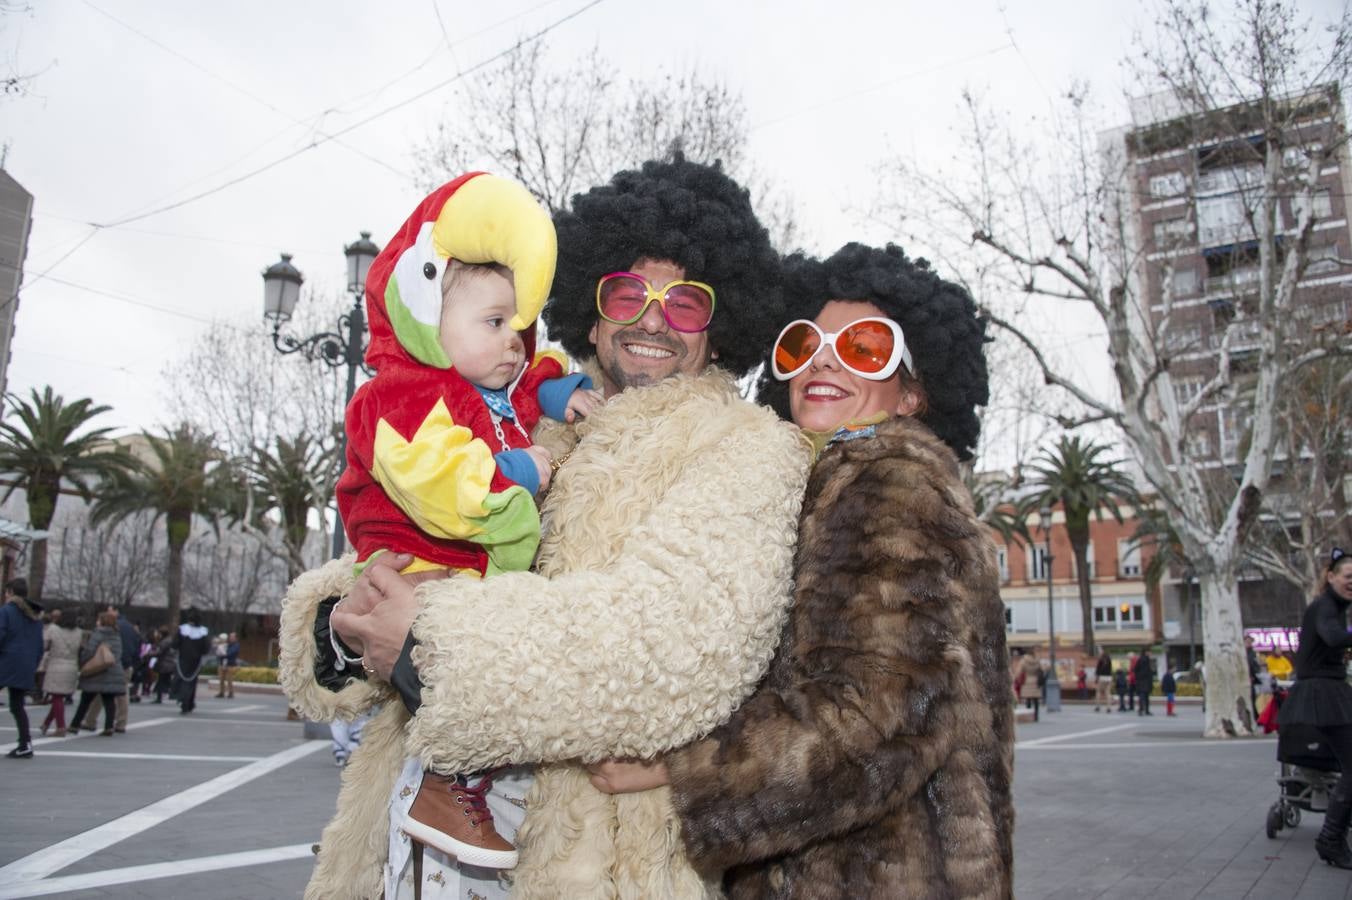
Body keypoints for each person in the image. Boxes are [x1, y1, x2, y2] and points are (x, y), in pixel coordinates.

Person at [278, 156, 808, 899]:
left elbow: (673, 647)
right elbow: (417, 553)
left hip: (586, 865)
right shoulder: (527, 424)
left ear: (718, 334)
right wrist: (342, 623)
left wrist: (423, 645)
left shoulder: (749, 448)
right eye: (627, 293)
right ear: (593, 312)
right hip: (405, 858)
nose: (652, 318)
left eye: (686, 303)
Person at [585, 242, 1010, 897]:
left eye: (864, 347)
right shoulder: (829, 482)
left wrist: (680, 768)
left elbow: (875, 722)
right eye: (803, 344)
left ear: (912, 393)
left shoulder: (890, 484)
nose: (824, 359)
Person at [333, 172, 601, 869]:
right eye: (493, 323)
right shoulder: (402, 395)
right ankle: (443, 791)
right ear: (431, 322)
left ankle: (454, 787)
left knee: (478, 661)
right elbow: (444, 485)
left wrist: (562, 389)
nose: (513, 342)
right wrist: (521, 472)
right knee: (451, 666)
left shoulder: (488, 383)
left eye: (517, 326)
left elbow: (531, 378)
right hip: (419, 558)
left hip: (459, 564)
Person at [1279, 548, 1352, 868]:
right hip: (1323, 695)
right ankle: (1331, 840)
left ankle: (1333, 838)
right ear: (1331, 577)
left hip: (1326, 693)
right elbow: (1333, 638)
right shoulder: (1325, 607)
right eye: (1348, 576)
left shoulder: (1333, 608)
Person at [0, 578, 43, 759]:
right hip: (26, 664)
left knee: (17, 705)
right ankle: (25, 744)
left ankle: (25, 744)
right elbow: (40, 646)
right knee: (18, 706)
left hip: (6, 661)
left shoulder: (6, 611)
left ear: (10, 592)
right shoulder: (35, 616)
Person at [81, 606, 139, 732]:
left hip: (107, 663)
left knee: (99, 693)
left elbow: (93, 648)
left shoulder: (110, 628)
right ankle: (121, 723)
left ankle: (90, 720)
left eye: (110, 610)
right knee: (122, 695)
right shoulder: (131, 628)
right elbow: (137, 646)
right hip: (125, 664)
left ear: (116, 611)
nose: (108, 612)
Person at [69, 609, 125, 737]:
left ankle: (74, 725)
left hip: (96, 671)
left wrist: (83, 662)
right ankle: (109, 726)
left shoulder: (98, 633)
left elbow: (89, 651)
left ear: (102, 621)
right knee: (109, 700)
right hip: (112, 670)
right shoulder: (117, 635)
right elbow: (118, 653)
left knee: (85, 699)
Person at [40, 608, 81, 736]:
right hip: (72, 666)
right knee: (59, 697)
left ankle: (60, 727)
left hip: (56, 665)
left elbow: (44, 646)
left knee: (56, 697)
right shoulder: (79, 632)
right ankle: (46, 723)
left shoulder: (53, 629)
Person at [174, 609, 211, 714]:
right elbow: (206, 648)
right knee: (192, 682)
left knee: (182, 680)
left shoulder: (182, 630)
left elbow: (175, 643)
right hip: (196, 660)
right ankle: (189, 702)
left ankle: (184, 701)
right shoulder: (203, 632)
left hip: (183, 659)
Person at [1019, 646, 1044, 722]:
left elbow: (1019, 671)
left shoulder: (1024, 660)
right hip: (1036, 681)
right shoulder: (1037, 660)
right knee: (1036, 701)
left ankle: (1029, 716)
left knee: (1028, 700)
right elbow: (1042, 669)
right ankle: (1036, 716)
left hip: (1027, 681)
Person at [218, 631, 239, 699]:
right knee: (221, 679)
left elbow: (231, 653)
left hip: (230, 665)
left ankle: (231, 693)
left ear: (236, 638)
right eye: (230, 636)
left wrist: (224, 655)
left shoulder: (236, 645)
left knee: (229, 679)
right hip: (222, 664)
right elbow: (220, 653)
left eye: (232, 637)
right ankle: (221, 692)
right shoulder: (227, 644)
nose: (231, 638)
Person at [1135, 647, 1155, 715]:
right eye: (1149, 652)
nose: (1150, 653)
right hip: (1145, 681)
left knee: (1142, 696)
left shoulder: (1140, 659)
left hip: (1141, 681)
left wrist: (1138, 678)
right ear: (1146, 652)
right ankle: (1145, 710)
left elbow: (1136, 669)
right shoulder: (1146, 659)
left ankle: (1142, 710)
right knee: (1145, 696)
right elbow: (1147, 671)